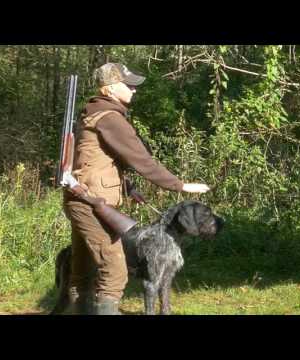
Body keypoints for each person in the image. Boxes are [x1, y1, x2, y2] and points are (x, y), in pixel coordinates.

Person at [63, 63, 210, 315]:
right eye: (128, 84)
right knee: (114, 271)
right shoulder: (110, 118)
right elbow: (141, 160)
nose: (134, 89)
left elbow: (94, 160)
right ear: (109, 89)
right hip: (92, 203)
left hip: (81, 199)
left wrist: (127, 187)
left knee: (83, 271)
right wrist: (180, 185)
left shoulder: (93, 114)